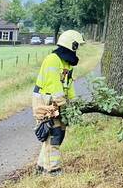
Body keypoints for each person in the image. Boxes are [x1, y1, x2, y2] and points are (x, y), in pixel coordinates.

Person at [32, 30, 84, 174]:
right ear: (71, 45)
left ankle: (41, 167)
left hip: (56, 102)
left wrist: (74, 103)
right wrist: (64, 104)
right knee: (52, 134)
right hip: (45, 101)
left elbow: (69, 85)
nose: (77, 49)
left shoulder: (66, 64)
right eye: (76, 46)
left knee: (58, 133)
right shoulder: (52, 60)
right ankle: (53, 169)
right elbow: (54, 86)